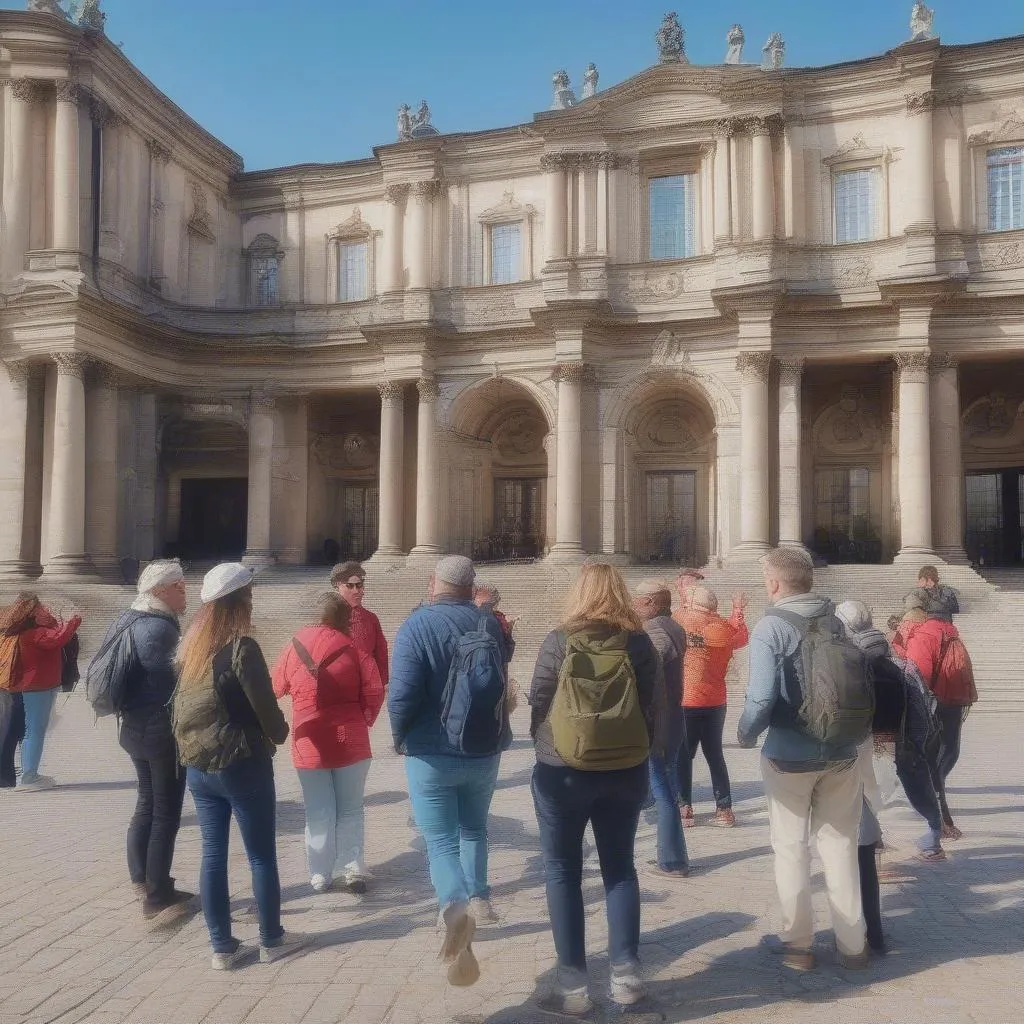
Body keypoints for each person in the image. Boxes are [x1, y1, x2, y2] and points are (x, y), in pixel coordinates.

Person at [529, 563, 661, 1015]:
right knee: (620, 870)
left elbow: (539, 697)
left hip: (562, 769)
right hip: (625, 767)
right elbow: (652, 704)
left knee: (562, 872)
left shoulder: (559, 639)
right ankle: (626, 979)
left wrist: (545, 739)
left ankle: (572, 987)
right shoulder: (639, 642)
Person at [737, 547, 868, 972]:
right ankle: (853, 945)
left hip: (789, 754)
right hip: (843, 752)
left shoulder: (771, 626)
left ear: (774, 583)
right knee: (841, 845)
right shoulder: (838, 621)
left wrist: (745, 733)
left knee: (791, 847)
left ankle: (798, 945)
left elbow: (759, 697)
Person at [172, 563, 303, 971]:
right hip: (242, 763)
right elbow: (267, 710)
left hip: (199, 767)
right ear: (241, 600)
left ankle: (222, 947)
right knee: (261, 855)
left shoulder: (190, 649)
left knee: (213, 855)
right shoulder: (241, 647)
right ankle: (272, 939)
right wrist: (280, 733)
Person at [389, 555, 511, 989]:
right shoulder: (488, 623)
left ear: (432, 583)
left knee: (440, 840)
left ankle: (455, 907)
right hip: (483, 747)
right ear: (470, 586)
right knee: (474, 829)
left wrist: (399, 735)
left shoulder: (417, 626)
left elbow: (401, 692)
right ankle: (480, 896)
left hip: (431, 748)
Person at [272, 591, 384, 895]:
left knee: (318, 808)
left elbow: (276, 687)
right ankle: (352, 868)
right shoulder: (354, 649)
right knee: (350, 807)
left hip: (309, 739)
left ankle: (320, 872)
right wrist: (363, 719)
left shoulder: (293, 647)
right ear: (343, 618)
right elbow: (374, 690)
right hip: (351, 737)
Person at [103, 560, 192, 918]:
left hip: (135, 727)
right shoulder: (158, 629)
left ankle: (141, 877)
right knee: (165, 813)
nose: (186, 591)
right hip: (160, 731)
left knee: (147, 803)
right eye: (180, 586)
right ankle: (157, 895)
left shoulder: (131, 619)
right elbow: (173, 682)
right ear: (160, 591)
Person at [840, 600, 947, 864]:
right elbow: (921, 714)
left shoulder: (846, 663)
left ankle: (870, 840)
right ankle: (933, 834)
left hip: (860, 738)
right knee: (899, 781)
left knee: (859, 784)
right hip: (895, 738)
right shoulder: (902, 666)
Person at [892, 603, 974, 842]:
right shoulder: (948, 633)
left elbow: (919, 676)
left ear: (913, 622)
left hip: (932, 706)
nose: (903, 628)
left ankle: (940, 821)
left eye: (905, 624)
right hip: (954, 701)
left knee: (929, 764)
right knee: (944, 757)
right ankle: (938, 809)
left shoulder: (922, 637)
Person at [677, 585, 748, 828]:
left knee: (684, 756)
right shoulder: (723, 629)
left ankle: (684, 807)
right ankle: (724, 809)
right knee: (715, 755)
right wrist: (738, 610)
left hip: (687, 700)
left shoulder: (682, 621)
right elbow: (740, 636)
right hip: (716, 701)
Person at [632, 579, 689, 878]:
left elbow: (648, 666)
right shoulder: (673, 625)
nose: (634, 604)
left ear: (652, 603)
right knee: (664, 784)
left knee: (663, 789)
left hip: (659, 721)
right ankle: (673, 854)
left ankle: (672, 860)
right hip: (674, 718)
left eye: (638, 600)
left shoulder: (656, 630)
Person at [1, 593, 81, 792]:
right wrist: (74, 619)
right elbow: (59, 637)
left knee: (20, 730)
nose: (45, 609)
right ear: (31, 611)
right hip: (38, 686)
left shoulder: (12, 631)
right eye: (40, 607)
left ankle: (21, 774)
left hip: (18, 686)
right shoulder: (35, 633)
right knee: (34, 731)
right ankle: (30, 776)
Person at [330, 561, 389, 689]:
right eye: (349, 586)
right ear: (337, 587)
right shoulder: (328, 620)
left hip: (365, 689)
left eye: (359, 585)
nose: (356, 591)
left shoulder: (371, 619)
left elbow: (381, 655)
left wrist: (380, 684)